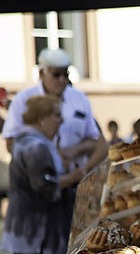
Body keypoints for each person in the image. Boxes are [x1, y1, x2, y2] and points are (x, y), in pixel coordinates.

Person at [1, 95, 84, 254]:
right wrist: (72, 177)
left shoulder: (34, 142)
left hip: (33, 235)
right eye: (57, 116)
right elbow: (44, 186)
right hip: (35, 236)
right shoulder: (34, 146)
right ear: (42, 118)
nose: (60, 121)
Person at [2, 48, 107, 177]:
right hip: (38, 181)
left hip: (75, 177)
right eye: (56, 74)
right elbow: (11, 143)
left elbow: (95, 139)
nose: (62, 80)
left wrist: (74, 151)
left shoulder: (79, 98)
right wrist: (47, 159)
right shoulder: (23, 100)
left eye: (66, 75)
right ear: (41, 73)